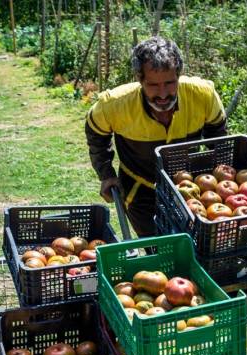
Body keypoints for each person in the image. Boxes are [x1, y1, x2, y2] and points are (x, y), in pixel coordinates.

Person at [85, 36, 227, 237]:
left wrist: (220, 181)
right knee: (157, 249)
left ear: (179, 75)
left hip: (187, 188)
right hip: (140, 189)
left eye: (169, 83)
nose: (162, 94)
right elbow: (95, 132)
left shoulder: (202, 95)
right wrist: (106, 174)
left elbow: (218, 134)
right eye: (153, 85)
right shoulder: (115, 104)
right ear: (139, 79)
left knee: (196, 245)